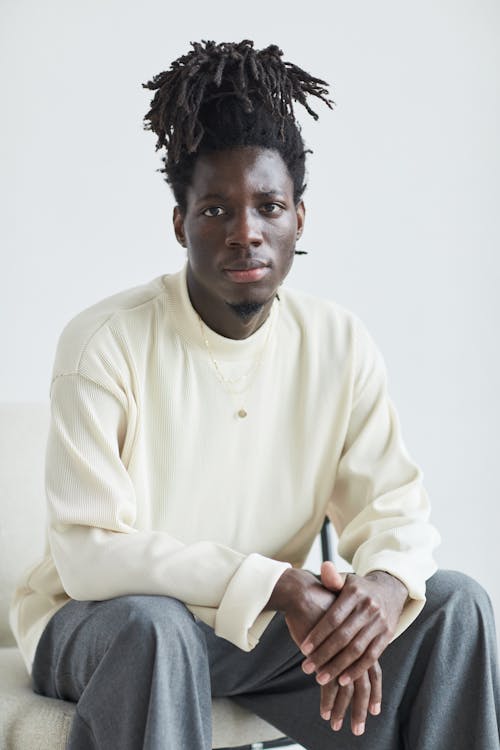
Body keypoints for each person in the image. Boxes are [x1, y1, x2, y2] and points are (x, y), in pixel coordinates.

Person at [10, 39, 500, 749]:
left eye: (268, 206)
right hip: (102, 627)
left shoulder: (338, 342)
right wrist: (276, 584)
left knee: (455, 605)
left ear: (300, 219)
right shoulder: (103, 342)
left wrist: (386, 585)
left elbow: (395, 507)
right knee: (157, 627)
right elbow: (89, 555)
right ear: (180, 224)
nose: (246, 233)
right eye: (215, 211)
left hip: (262, 632)